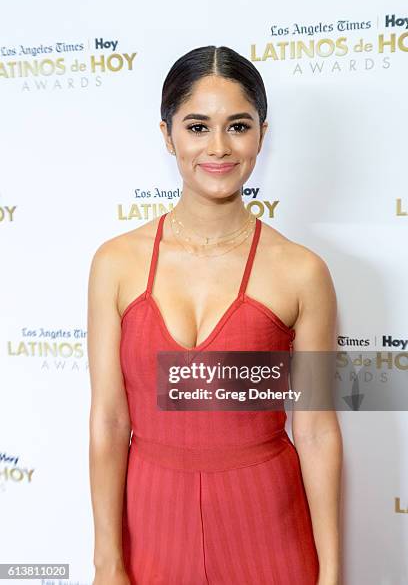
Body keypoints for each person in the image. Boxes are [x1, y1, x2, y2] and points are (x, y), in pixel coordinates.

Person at [88, 45, 343, 585]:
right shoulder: (115, 262)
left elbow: (317, 429)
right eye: (198, 126)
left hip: (267, 523)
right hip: (152, 523)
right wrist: (106, 562)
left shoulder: (303, 272)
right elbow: (110, 422)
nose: (220, 148)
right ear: (167, 135)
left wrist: (332, 572)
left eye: (239, 126)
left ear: (262, 136)